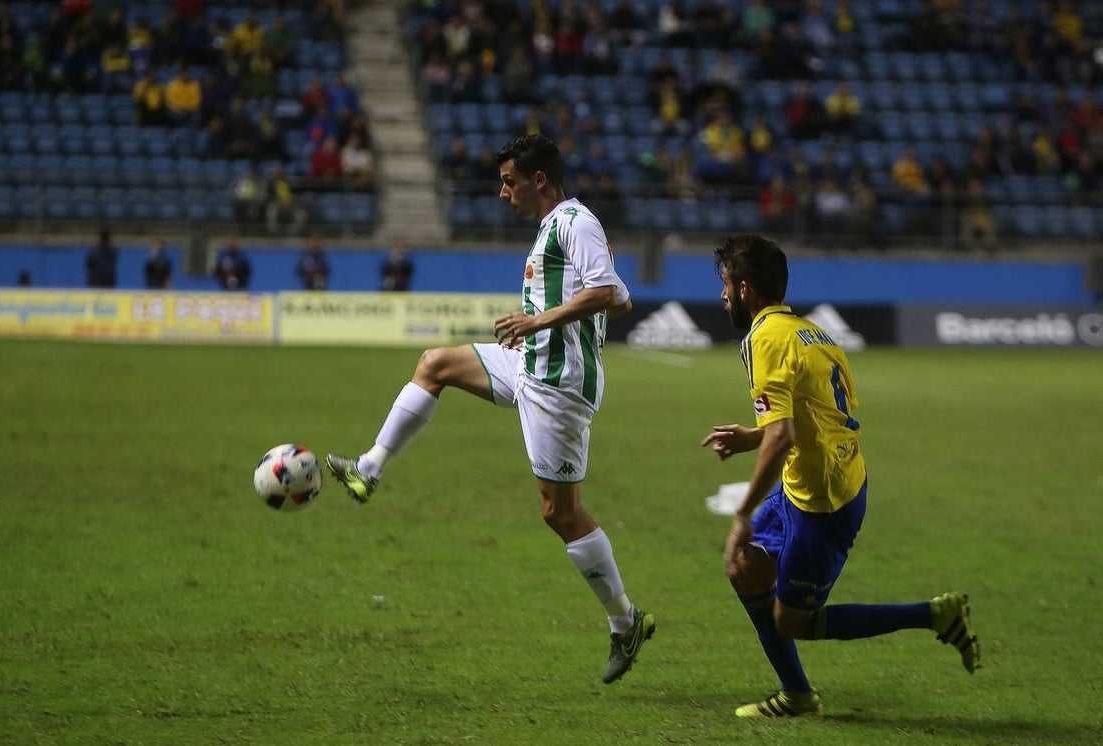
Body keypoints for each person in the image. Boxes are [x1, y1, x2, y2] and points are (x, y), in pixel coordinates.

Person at [325, 134, 654, 684]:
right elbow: (620, 298)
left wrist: (538, 321)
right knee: (436, 364)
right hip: (529, 363)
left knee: (560, 514)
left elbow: (606, 294)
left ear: (539, 179)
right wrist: (544, 321)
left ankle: (625, 621)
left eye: (509, 181)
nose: (503, 193)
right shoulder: (556, 228)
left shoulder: (576, 222)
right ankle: (370, 468)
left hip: (558, 387)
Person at [702, 234, 980, 718]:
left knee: (795, 621)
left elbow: (785, 433)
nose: (722, 294)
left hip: (824, 501)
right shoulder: (812, 332)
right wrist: (755, 436)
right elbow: (811, 416)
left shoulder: (762, 338)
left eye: (725, 284)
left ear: (745, 289)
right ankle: (797, 695)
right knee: (742, 568)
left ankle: (935, 614)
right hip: (809, 482)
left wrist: (743, 510)